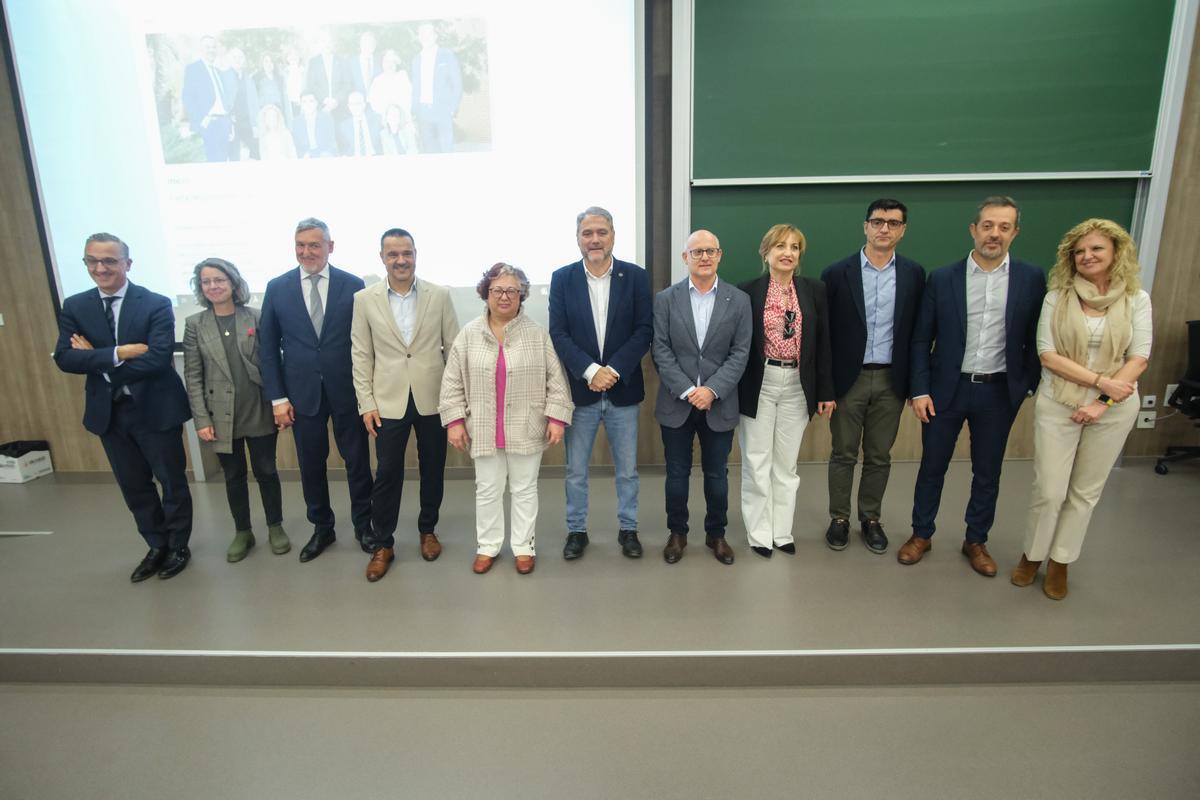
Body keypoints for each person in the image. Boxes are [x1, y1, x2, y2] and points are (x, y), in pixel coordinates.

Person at [900, 197, 1047, 576]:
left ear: (1014, 232)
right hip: (945, 391)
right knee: (932, 467)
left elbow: (1037, 338)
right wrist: (920, 390)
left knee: (988, 471)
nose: (994, 234)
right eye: (987, 225)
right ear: (973, 229)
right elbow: (920, 339)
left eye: (1003, 227)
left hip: (999, 393)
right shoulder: (944, 278)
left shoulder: (1031, 278)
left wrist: (1026, 386)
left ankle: (976, 540)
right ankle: (921, 533)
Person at [1014, 219, 1151, 600]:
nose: (1087, 256)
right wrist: (1100, 383)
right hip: (1060, 400)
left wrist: (1103, 403)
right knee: (1050, 489)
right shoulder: (1058, 297)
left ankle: (1061, 562)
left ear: (1115, 254)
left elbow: (1138, 358)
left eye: (1096, 249)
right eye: (1080, 251)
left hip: (1114, 409)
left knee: (1085, 492)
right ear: (1070, 258)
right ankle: (1033, 554)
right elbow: (1047, 354)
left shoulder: (1136, 299)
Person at [53, 233, 193, 581]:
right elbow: (67, 359)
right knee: (134, 486)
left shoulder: (155, 303)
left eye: (109, 261)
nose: (101, 268)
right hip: (110, 413)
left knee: (171, 482)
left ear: (127, 264)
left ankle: (177, 546)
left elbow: (159, 358)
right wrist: (120, 353)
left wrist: (96, 359)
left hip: (156, 409)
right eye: (92, 261)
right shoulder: (75, 306)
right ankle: (156, 544)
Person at [439, 263, 573, 575]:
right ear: (485, 293)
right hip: (484, 427)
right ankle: (488, 546)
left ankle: (524, 547)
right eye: (497, 290)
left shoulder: (536, 334)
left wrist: (556, 418)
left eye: (512, 290)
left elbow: (556, 380)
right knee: (487, 489)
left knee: (525, 489)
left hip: (526, 426)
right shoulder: (468, 335)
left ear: (522, 295)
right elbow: (452, 382)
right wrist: (455, 421)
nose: (504, 296)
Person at [258, 218, 374, 562]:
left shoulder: (353, 285)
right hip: (300, 394)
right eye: (300, 245)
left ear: (330, 247)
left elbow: (367, 341)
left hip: (347, 391)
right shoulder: (277, 288)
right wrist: (278, 398)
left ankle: (364, 525)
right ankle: (322, 527)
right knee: (311, 464)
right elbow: (268, 347)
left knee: (357, 462)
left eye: (314, 245)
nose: (306, 251)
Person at [351, 228, 460, 582]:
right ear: (382, 258)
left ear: (416, 254)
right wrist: (366, 402)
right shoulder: (364, 300)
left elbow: (454, 349)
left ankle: (428, 530)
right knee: (387, 474)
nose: (401, 260)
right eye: (393, 254)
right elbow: (361, 354)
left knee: (433, 467)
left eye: (407, 253)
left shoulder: (439, 295)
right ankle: (384, 543)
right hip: (387, 402)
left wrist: (456, 400)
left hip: (433, 398)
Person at [820, 199, 926, 553]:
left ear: (903, 230)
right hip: (848, 379)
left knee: (879, 455)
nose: (885, 229)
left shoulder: (914, 274)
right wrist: (827, 385)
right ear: (865, 226)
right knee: (843, 453)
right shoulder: (837, 273)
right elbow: (826, 334)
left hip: (891, 380)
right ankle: (839, 518)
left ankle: (870, 518)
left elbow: (916, 334)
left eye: (893, 223)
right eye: (878, 221)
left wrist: (915, 384)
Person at [548, 206, 653, 561]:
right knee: (576, 470)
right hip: (580, 392)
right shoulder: (563, 278)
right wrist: (591, 370)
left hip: (623, 391)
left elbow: (644, 331)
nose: (594, 239)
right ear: (578, 238)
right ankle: (577, 530)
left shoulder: (636, 277)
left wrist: (614, 370)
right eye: (587, 233)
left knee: (627, 471)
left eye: (601, 232)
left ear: (613, 235)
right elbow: (558, 333)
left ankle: (629, 530)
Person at [652, 230, 752, 565]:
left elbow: (740, 353)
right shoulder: (666, 299)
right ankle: (677, 533)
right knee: (677, 475)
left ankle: (716, 534)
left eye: (711, 251)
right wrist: (687, 390)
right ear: (686, 258)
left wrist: (711, 390)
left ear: (720, 255)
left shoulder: (738, 300)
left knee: (717, 476)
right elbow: (661, 350)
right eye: (697, 252)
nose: (704, 257)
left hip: (719, 403)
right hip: (676, 402)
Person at [737, 224, 835, 558]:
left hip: (797, 383)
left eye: (794, 247)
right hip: (760, 382)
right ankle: (759, 533)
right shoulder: (747, 291)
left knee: (786, 465)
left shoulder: (814, 290)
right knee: (757, 460)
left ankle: (782, 531)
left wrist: (826, 390)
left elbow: (823, 344)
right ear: (766, 252)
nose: (787, 253)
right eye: (780, 246)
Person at [182, 258, 289, 562]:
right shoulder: (194, 325)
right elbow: (193, 375)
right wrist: (201, 418)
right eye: (206, 282)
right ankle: (243, 531)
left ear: (233, 283)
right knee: (233, 475)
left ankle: (275, 526)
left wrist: (280, 402)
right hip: (219, 415)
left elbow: (272, 363)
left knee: (267, 470)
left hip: (257, 408)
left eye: (220, 280)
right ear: (200, 288)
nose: (214, 286)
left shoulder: (255, 317)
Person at [181, 35, 235, 163]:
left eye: (213, 47)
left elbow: (224, 101)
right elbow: (187, 98)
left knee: (224, 161)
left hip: (224, 124)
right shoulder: (193, 68)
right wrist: (200, 120)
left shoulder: (218, 72)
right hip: (209, 124)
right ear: (201, 50)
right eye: (207, 47)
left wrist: (230, 123)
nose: (211, 50)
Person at [411, 22, 463, 153]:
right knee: (429, 151)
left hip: (443, 111)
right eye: (422, 34)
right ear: (419, 37)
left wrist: (452, 109)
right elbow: (415, 88)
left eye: (428, 34)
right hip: (423, 113)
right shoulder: (416, 59)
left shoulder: (447, 55)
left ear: (435, 36)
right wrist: (415, 111)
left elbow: (457, 84)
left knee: (446, 150)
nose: (425, 37)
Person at [291, 92, 337, 158]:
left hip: (324, 154)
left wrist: (323, 153)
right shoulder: (296, 122)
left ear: (316, 103)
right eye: (304, 102)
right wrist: (304, 155)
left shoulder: (326, 118)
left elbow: (331, 142)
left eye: (311, 101)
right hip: (306, 157)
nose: (308, 104)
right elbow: (296, 145)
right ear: (301, 104)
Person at [338, 91, 381, 157]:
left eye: (358, 103)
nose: (355, 107)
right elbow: (343, 148)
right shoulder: (344, 126)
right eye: (351, 104)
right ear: (348, 106)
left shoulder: (376, 119)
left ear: (364, 105)